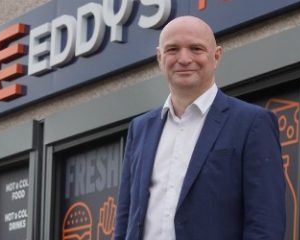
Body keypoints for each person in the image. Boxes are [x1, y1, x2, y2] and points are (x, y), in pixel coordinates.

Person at [114, 16, 285, 240]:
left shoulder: (252, 123)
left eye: (196, 49)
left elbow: (265, 224)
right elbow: (125, 219)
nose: (184, 59)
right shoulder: (140, 129)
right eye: (173, 49)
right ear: (159, 58)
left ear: (216, 57)